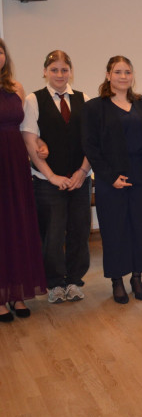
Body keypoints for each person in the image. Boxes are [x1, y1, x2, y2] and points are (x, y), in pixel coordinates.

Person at [82, 56, 142, 303]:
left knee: (139, 228)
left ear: (132, 75)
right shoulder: (94, 107)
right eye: (117, 72)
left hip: (141, 175)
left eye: (127, 72)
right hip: (111, 178)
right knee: (114, 230)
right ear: (108, 75)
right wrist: (109, 177)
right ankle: (117, 280)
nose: (123, 77)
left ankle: (137, 277)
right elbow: (90, 146)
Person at [21, 50, 92, 304]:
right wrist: (51, 176)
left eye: (64, 69)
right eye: (54, 70)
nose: (60, 74)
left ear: (70, 71)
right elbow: (30, 141)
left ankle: (73, 280)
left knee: (79, 232)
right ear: (45, 72)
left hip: (79, 179)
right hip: (47, 182)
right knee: (52, 234)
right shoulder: (33, 100)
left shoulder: (84, 99)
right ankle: (54, 283)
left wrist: (82, 172)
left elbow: (92, 141)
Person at [0, 39, 46, 322]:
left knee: (17, 224)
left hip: (15, 163)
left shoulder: (15, 87)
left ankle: (17, 293)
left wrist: (40, 144)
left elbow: (27, 128)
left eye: (0, 51)